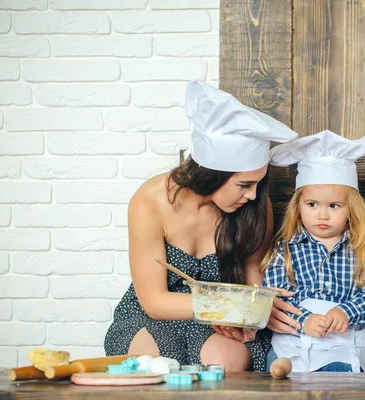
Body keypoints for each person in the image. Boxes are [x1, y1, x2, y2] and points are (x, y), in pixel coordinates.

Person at [104, 80, 298, 372]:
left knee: (225, 366)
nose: (254, 195)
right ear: (213, 173)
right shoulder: (149, 201)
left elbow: (252, 281)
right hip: (155, 317)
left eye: (258, 184)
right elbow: (154, 301)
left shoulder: (255, 206)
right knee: (149, 366)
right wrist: (232, 308)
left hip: (223, 322)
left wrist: (252, 316)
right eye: (244, 184)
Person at [261, 130, 365, 373]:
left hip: (343, 343)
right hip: (295, 342)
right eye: (312, 205)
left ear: (351, 209)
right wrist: (304, 321)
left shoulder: (361, 251)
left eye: (334, 206)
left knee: (339, 379)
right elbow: (274, 298)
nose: (322, 215)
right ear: (298, 207)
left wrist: (346, 311)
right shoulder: (286, 250)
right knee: (281, 374)